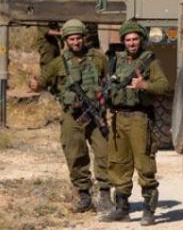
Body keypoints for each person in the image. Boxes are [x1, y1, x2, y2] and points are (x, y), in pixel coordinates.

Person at [30, 19, 112, 213]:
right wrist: (34, 84)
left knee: (105, 152)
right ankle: (84, 196)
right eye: (72, 39)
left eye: (78, 38)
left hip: (96, 115)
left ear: (84, 38)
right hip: (72, 116)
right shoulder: (58, 63)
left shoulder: (99, 59)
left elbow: (108, 83)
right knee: (75, 154)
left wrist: (104, 99)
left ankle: (105, 195)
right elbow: (41, 82)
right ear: (66, 40)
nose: (76, 42)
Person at [100, 21, 171, 226]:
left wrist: (144, 85)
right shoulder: (115, 60)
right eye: (128, 39)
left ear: (141, 40)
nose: (132, 43)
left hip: (140, 117)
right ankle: (122, 208)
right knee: (118, 163)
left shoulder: (149, 61)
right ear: (123, 41)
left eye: (135, 39)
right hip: (118, 118)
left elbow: (164, 86)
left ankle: (149, 210)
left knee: (144, 164)